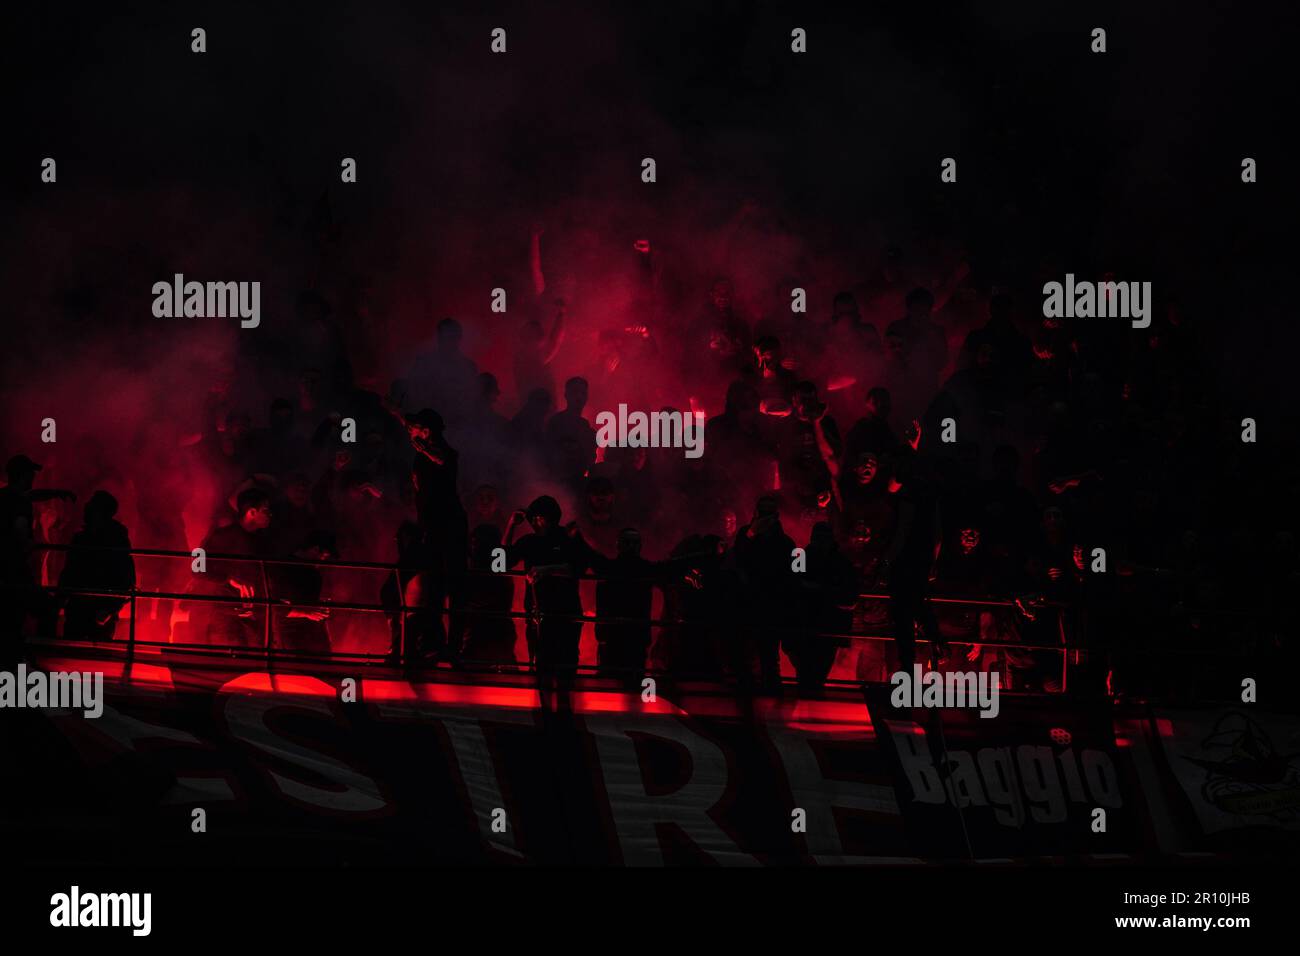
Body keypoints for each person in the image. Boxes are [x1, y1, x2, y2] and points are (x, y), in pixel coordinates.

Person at [504, 495, 602, 711]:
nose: (533, 522)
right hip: (538, 615)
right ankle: (544, 711)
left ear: (548, 518)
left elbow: (579, 567)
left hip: (565, 614)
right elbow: (499, 563)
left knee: (566, 664)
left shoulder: (566, 538)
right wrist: (511, 525)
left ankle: (567, 710)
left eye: (538, 517)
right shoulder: (528, 542)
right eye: (532, 518)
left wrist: (547, 570)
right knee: (542, 666)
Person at [0, 455, 76, 657]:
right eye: (31, 474)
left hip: (5, 568)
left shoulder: (5, 496)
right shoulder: (20, 504)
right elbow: (20, 526)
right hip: (14, 568)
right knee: (42, 609)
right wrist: (27, 544)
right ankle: (40, 655)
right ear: (24, 475)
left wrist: (54, 493)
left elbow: (31, 495)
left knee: (12, 613)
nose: (33, 477)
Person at [188, 487, 274, 649]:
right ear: (251, 512)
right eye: (266, 510)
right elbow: (196, 568)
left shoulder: (263, 542)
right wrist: (229, 578)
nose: (270, 514)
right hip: (223, 617)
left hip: (254, 618)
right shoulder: (221, 536)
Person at [59, 491, 135, 643]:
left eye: (91, 506)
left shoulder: (116, 540)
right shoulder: (81, 538)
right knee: (71, 655)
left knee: (96, 655)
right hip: (78, 608)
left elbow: (126, 577)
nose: (86, 508)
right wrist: (61, 597)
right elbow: (69, 571)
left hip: (99, 610)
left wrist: (110, 608)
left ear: (100, 512)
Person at [594, 528, 656, 689]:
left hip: (631, 637)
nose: (631, 546)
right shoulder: (644, 570)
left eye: (634, 543)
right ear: (619, 544)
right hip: (617, 637)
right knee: (611, 686)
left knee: (628, 684)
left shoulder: (611, 568)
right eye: (628, 542)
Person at [270, 531, 337, 655]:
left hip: (312, 637)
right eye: (324, 556)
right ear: (315, 549)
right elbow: (277, 608)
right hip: (292, 638)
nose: (323, 561)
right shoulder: (283, 567)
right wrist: (307, 612)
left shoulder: (314, 573)